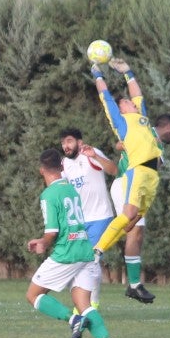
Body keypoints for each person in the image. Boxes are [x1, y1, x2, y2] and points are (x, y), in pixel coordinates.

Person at [26, 148, 119, 338]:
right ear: (61, 167)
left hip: (67, 253)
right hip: (86, 251)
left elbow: (52, 232)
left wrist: (42, 243)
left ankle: (73, 320)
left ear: (42, 171)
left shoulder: (49, 195)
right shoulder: (71, 190)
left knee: (33, 295)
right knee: (83, 302)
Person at [89, 57, 170, 265]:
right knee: (129, 214)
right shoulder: (121, 121)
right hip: (137, 171)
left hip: (152, 176)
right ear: (121, 109)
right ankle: (97, 249)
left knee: (132, 221)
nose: (131, 101)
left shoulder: (142, 119)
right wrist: (98, 74)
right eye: (126, 102)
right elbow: (106, 98)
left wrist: (128, 73)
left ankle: (103, 246)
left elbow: (138, 95)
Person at [104, 112, 170, 303]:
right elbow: (120, 143)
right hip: (125, 181)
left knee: (135, 232)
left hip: (138, 186)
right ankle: (99, 254)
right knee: (133, 230)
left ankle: (133, 284)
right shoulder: (145, 130)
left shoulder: (159, 145)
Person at [59, 128, 116, 304]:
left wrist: (96, 157)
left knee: (91, 260)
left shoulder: (91, 154)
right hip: (79, 221)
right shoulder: (64, 164)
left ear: (80, 142)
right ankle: (85, 303)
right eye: (63, 143)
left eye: (69, 141)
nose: (65, 146)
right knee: (77, 262)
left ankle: (92, 304)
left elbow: (114, 170)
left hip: (100, 217)